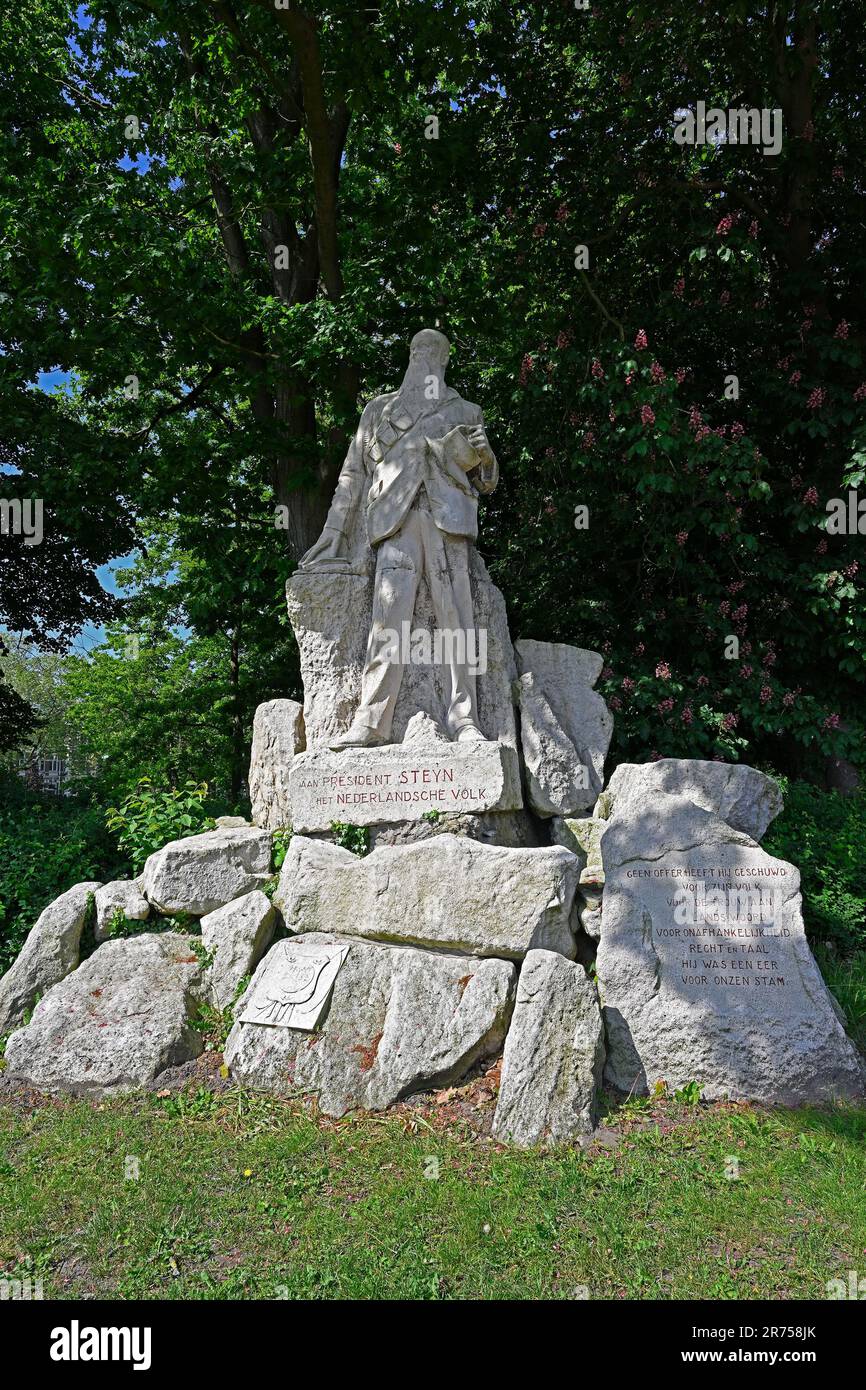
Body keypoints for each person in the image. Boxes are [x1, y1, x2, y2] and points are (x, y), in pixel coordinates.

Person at [299, 329, 498, 748]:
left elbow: (486, 481)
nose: (423, 355)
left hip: (448, 519)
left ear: (444, 360)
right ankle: (371, 722)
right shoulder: (379, 410)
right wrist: (333, 532)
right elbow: (352, 475)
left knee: (457, 622)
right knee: (387, 620)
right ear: (409, 355)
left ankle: (465, 721)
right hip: (396, 522)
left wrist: (487, 459)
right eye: (417, 349)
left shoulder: (466, 409)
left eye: (433, 349)